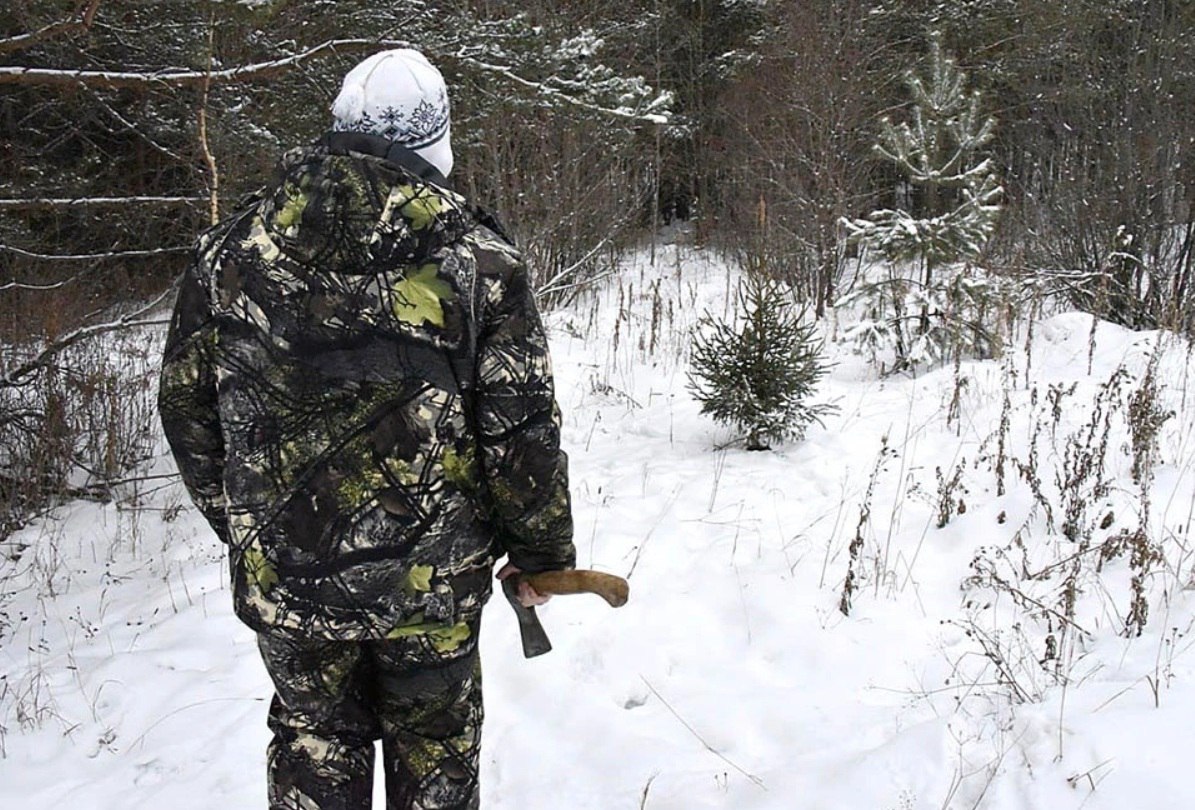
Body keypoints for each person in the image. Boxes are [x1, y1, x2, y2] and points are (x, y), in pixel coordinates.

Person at [158, 48, 576, 810]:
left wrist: (255, 525)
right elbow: (520, 427)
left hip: (291, 578)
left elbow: (187, 411)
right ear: (436, 141)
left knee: (315, 744)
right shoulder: (479, 261)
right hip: (431, 586)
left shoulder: (229, 253)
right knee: (436, 752)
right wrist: (540, 552)